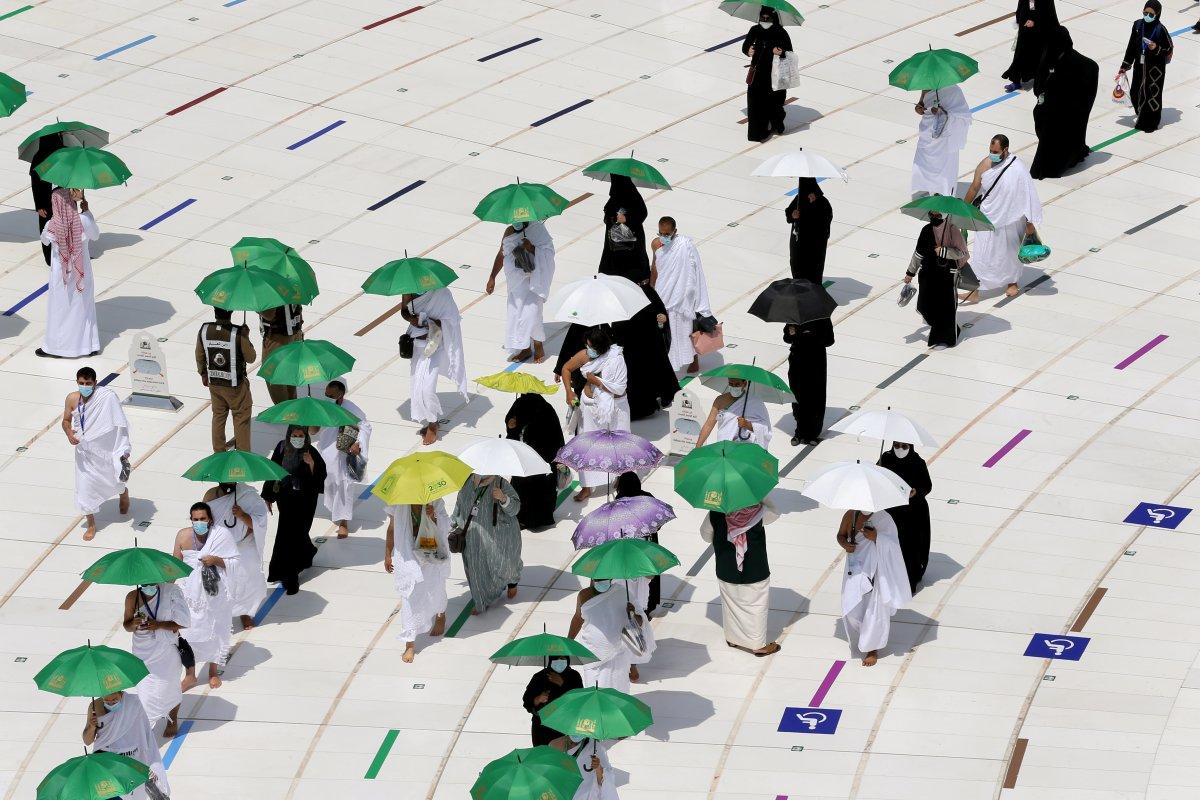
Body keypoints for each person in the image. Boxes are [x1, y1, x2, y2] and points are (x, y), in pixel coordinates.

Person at [962, 135, 1043, 299]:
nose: (992, 154)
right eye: (991, 150)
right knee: (982, 253)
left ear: (1005, 150)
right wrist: (963, 208)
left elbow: (1028, 195)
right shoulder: (985, 164)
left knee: (1010, 252)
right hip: (987, 215)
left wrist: (1030, 222)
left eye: (996, 151)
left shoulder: (1017, 168)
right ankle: (975, 290)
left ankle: (1012, 283)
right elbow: (974, 187)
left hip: (1011, 217)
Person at [561, 327, 631, 502]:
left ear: (601, 347)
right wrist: (569, 392)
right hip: (590, 405)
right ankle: (586, 486)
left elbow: (620, 389)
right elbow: (566, 368)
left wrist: (596, 381)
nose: (587, 348)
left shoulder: (616, 359)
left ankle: (621, 477)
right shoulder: (585, 355)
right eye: (586, 345)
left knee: (620, 444)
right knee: (587, 445)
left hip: (616, 407)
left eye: (590, 345)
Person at [63, 366, 131, 541]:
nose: (84, 386)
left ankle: (123, 493)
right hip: (84, 450)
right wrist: (69, 434)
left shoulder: (107, 397)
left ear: (95, 383)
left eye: (88, 383)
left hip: (104, 448)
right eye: (81, 383)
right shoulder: (72, 398)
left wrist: (123, 449)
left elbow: (120, 425)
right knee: (84, 487)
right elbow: (65, 420)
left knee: (113, 477)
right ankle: (92, 523)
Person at [174, 502, 238, 689]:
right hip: (190, 594)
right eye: (196, 519)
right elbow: (176, 564)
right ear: (191, 519)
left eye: (203, 519)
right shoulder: (182, 535)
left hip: (214, 591)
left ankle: (213, 671)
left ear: (210, 519)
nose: (199, 522)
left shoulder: (222, 535)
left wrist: (215, 560)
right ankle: (191, 674)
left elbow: (235, 562)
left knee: (217, 631)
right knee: (187, 634)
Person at [837, 508, 912, 666]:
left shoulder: (885, 519)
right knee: (851, 607)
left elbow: (894, 546)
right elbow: (840, 535)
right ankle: (864, 634)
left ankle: (872, 648)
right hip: (855, 567)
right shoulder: (851, 515)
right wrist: (845, 544)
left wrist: (876, 537)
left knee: (874, 608)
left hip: (877, 569)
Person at [706, 505, 781, 656]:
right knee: (756, 606)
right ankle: (757, 646)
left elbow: (705, 534)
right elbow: (774, 513)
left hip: (726, 565)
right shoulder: (759, 510)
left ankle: (733, 639)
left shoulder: (715, 511)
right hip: (755, 566)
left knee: (731, 604)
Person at [37, 187, 100, 359]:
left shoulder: (52, 224)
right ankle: (88, 346)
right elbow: (95, 235)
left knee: (59, 310)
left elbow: (44, 239)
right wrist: (86, 211)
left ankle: (57, 348)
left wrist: (52, 219)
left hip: (60, 276)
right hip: (82, 273)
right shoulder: (83, 220)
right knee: (84, 308)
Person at [385, 500, 451, 662]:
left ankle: (440, 615)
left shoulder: (434, 500)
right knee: (409, 595)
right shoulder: (398, 502)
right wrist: (387, 553)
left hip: (430, 551)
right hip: (407, 553)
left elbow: (447, 524)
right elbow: (392, 528)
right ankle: (410, 644)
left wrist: (433, 516)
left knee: (435, 587)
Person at [262, 426, 325, 595]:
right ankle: (290, 577)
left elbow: (320, 477)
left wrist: (311, 463)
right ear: (289, 435)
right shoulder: (282, 447)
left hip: (305, 499)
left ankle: (307, 552)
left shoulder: (311, 451)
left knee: (299, 532)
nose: (297, 438)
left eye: (300, 435)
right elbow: (272, 470)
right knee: (288, 534)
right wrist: (268, 495)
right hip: (286, 497)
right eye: (294, 435)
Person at [401, 286, 469, 445]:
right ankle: (430, 419)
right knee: (416, 385)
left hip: (435, 343)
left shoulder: (442, 293)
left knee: (427, 389)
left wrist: (428, 322)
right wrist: (411, 319)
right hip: (416, 343)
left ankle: (433, 423)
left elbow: (451, 318)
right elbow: (404, 310)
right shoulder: (408, 288)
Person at [122, 581, 189, 736]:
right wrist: (134, 622)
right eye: (145, 583)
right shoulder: (132, 597)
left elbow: (183, 623)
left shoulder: (171, 592)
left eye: (152, 582)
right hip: (142, 652)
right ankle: (147, 724)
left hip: (166, 649)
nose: (149, 585)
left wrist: (158, 625)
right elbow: (126, 626)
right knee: (145, 692)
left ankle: (172, 719)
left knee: (171, 687)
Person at [1030, 26, 1098, 179]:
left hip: (1066, 110)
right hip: (1048, 107)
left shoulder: (1073, 60)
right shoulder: (1048, 55)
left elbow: (1091, 67)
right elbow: (1040, 78)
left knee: (1054, 137)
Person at [452, 474, 523, 613]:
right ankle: (481, 600)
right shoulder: (467, 482)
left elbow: (515, 509)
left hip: (500, 536)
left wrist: (503, 498)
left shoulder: (500, 483)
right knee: (477, 570)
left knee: (506, 565)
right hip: (473, 537)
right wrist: (452, 524)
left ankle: (512, 583)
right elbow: (459, 504)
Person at [487, 220, 556, 363]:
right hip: (516, 281)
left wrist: (531, 248)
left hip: (533, 279)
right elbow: (502, 254)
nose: (516, 223)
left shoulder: (537, 229)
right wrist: (492, 277)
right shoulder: (509, 231)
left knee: (532, 313)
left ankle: (538, 345)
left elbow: (549, 252)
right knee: (517, 314)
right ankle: (524, 348)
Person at [651, 216, 712, 374]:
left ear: (675, 232)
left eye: (667, 234)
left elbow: (696, 270)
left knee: (686, 332)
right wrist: (651, 288)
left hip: (682, 296)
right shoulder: (656, 244)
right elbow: (655, 266)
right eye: (661, 233)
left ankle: (694, 359)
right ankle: (667, 363)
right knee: (665, 332)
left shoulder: (685, 245)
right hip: (663, 293)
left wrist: (697, 297)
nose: (664, 237)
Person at [204, 483, 270, 630]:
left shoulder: (249, 495)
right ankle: (219, 615)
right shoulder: (210, 495)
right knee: (221, 582)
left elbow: (259, 523)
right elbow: (203, 518)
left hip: (245, 546)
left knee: (247, 580)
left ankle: (245, 612)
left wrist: (242, 515)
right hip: (220, 546)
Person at [83, 692, 170, 800]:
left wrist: (147, 760)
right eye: (107, 701)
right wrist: (91, 727)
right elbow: (87, 741)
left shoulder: (133, 703)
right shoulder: (94, 707)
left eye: (114, 700)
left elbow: (144, 733)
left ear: (121, 693)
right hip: (107, 760)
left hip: (131, 758)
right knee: (109, 793)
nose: (111, 703)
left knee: (134, 794)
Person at [612, 282, 680, 419]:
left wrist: (662, 319)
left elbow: (660, 313)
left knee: (653, 369)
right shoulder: (619, 295)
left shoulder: (645, 292)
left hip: (648, 341)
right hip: (630, 344)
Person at [314, 379, 371, 539]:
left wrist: (358, 443)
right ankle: (335, 510)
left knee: (344, 484)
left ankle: (344, 521)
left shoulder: (351, 409)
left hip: (345, 453)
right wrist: (312, 415)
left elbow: (365, 426)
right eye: (326, 394)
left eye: (330, 395)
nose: (327, 397)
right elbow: (313, 431)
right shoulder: (322, 407)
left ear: (340, 396)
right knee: (330, 482)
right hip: (326, 451)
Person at [903, 208, 967, 349]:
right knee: (924, 305)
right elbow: (918, 253)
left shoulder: (952, 230)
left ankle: (943, 338)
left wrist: (944, 251)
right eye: (932, 214)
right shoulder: (926, 229)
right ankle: (951, 328)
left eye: (937, 214)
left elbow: (962, 253)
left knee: (944, 306)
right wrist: (910, 273)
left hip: (946, 275)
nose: (934, 217)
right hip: (928, 273)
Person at [196, 306, 257, 452]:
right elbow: (251, 358)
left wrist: (203, 374)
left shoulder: (204, 330)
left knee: (218, 417)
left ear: (215, 311)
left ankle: (218, 453)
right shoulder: (237, 333)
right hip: (236, 386)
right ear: (231, 312)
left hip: (214, 383)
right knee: (241, 418)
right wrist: (246, 336)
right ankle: (243, 455)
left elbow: (199, 355)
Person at [877, 442, 933, 594]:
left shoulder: (918, 462)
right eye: (897, 445)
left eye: (904, 446)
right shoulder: (886, 459)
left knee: (910, 546)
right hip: (892, 510)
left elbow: (927, 485)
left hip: (913, 511)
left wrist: (916, 491)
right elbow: (876, 478)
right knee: (889, 542)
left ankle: (909, 580)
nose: (900, 449)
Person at [505, 393, 565, 530]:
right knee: (522, 489)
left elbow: (554, 437)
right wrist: (511, 426)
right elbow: (511, 428)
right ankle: (523, 517)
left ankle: (538, 519)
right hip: (525, 459)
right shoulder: (519, 408)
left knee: (538, 491)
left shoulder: (545, 412)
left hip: (542, 459)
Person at [568, 578, 633, 692]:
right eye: (598, 579)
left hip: (617, 653)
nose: (601, 581)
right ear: (592, 579)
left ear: (611, 578)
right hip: (592, 654)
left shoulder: (622, 592)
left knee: (617, 690)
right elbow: (578, 618)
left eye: (604, 578)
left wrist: (632, 613)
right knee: (594, 691)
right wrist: (569, 641)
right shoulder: (583, 595)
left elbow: (640, 622)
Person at [1119, 1, 1173, 133]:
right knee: (1135, 92)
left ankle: (1150, 122)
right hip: (1140, 65)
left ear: (1157, 14)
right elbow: (1131, 46)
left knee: (1151, 95)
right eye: (1145, 13)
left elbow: (1168, 49)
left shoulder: (1161, 29)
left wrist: (1156, 48)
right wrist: (1125, 65)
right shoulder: (1137, 25)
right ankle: (1142, 114)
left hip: (1155, 69)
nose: (1147, 16)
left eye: (1151, 14)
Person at [741, 7, 793, 142]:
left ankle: (777, 124)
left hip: (774, 75)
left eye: (767, 18)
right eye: (762, 18)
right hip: (757, 74)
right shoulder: (755, 30)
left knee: (774, 103)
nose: (764, 21)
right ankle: (756, 133)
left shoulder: (780, 32)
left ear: (773, 18)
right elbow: (745, 45)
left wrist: (780, 52)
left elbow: (789, 52)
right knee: (755, 104)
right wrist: (748, 50)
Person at [910, 86, 973, 197]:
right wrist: (919, 108)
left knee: (945, 168)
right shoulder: (926, 86)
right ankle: (932, 192)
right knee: (927, 166)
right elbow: (922, 104)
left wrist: (942, 112)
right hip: (929, 134)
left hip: (946, 138)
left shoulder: (954, 91)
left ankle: (945, 194)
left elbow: (963, 116)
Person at [614, 472, 661, 615]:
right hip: (647, 543)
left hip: (627, 545)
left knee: (628, 578)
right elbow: (658, 523)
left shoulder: (619, 501)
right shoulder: (648, 498)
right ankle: (648, 606)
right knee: (648, 575)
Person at [784, 318, 834, 445]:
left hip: (816, 362)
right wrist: (791, 333)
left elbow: (830, 340)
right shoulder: (793, 317)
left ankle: (813, 434)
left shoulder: (822, 318)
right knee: (797, 396)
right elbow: (786, 338)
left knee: (815, 397)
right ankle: (799, 432)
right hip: (797, 362)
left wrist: (811, 334)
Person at [598, 175, 650, 284]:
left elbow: (642, 213)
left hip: (631, 248)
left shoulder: (634, 197)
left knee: (631, 276)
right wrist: (613, 218)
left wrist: (627, 218)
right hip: (613, 246)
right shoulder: (612, 200)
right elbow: (607, 217)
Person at [695, 377, 772, 448]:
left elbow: (765, 429)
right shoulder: (720, 400)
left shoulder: (755, 402)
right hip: (723, 446)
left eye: (737, 384)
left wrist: (747, 424)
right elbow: (708, 425)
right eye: (731, 384)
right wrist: (697, 448)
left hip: (744, 448)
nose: (734, 387)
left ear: (744, 384)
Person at [522, 656, 584, 746]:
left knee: (562, 757)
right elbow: (527, 701)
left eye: (563, 659)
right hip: (542, 727)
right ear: (551, 659)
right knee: (542, 757)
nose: (559, 661)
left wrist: (562, 684)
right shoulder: (539, 677)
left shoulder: (574, 676)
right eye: (556, 658)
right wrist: (538, 699)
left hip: (564, 727)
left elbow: (579, 701)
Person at [1002, 0, 1058, 92]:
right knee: (1020, 53)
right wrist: (1019, 17)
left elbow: (1037, 5)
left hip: (1037, 27)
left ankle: (1031, 79)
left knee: (1034, 54)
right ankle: (1016, 81)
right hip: (1026, 24)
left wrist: (1033, 19)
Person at [785, 178, 833, 283]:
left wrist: (814, 205)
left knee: (813, 269)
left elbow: (826, 220)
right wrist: (793, 214)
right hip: (798, 243)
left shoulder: (823, 202)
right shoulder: (799, 199)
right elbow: (788, 212)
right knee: (797, 265)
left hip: (814, 245)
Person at [30, 133, 65, 267]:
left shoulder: (63, 155)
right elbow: (35, 185)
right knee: (47, 229)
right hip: (45, 202)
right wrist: (39, 206)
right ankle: (50, 258)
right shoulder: (39, 158)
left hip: (62, 199)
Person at [259, 303, 304, 404]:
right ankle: (292, 409)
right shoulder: (291, 285)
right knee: (289, 373)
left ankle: (284, 413)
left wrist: (255, 306)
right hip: (295, 331)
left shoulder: (271, 288)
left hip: (278, 337)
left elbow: (269, 314)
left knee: (272, 375)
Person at [552, 734, 619, 800]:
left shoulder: (595, 748)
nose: (576, 732)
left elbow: (606, 782)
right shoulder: (555, 744)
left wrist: (598, 767)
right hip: (562, 793)